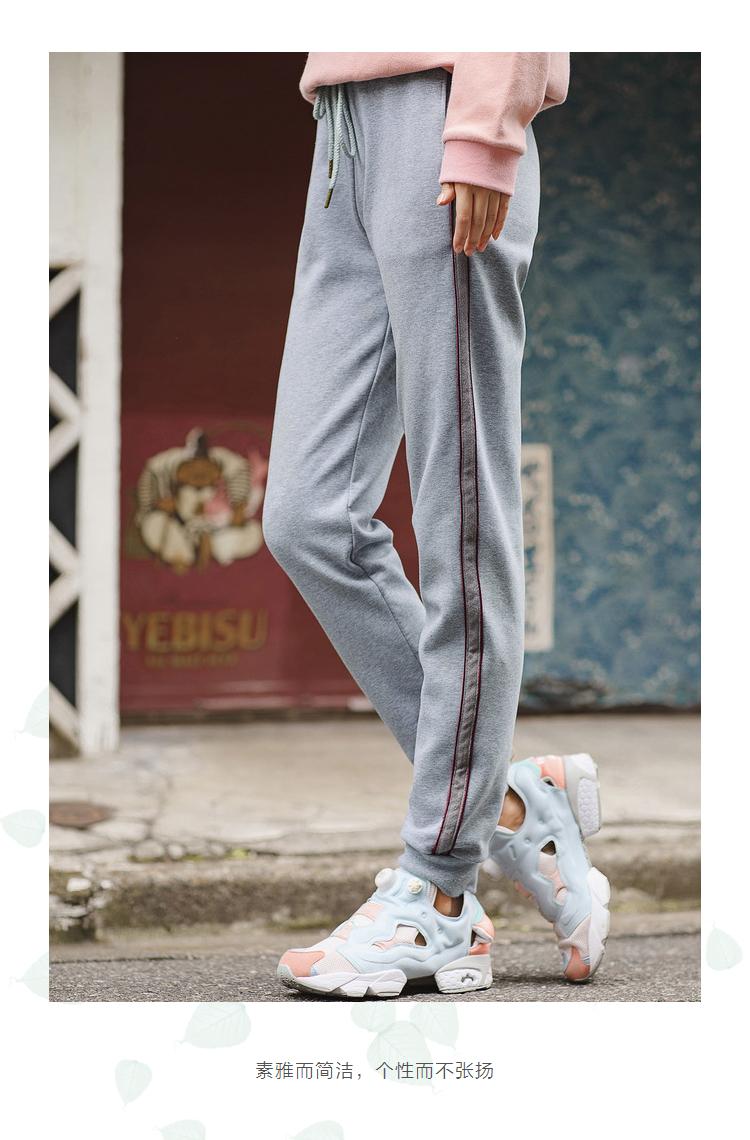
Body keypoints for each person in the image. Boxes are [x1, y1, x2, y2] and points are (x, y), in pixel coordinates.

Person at [263, 52, 610, 998]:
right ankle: (512, 805)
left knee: (460, 518)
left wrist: (485, 130)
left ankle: (441, 895)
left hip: (443, 110)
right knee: (308, 516)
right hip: (342, 132)